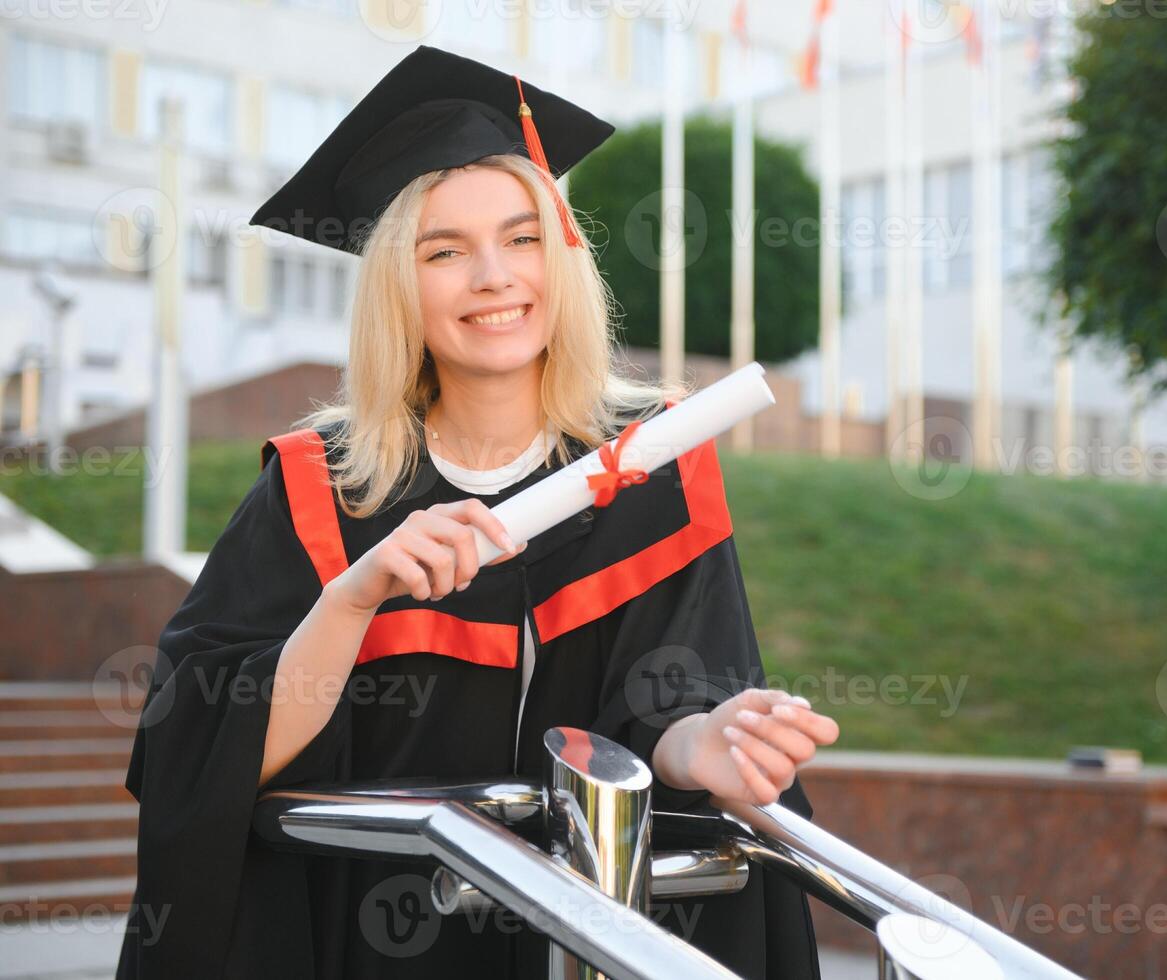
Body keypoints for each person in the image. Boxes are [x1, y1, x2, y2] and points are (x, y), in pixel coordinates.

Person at [116, 45, 839, 979]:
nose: (494, 276)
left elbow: (674, 697)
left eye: (522, 236)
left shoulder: (653, 468)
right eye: (444, 251)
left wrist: (707, 745)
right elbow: (201, 754)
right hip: (374, 945)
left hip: (588, 938)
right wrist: (350, 600)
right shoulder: (318, 489)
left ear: (562, 254)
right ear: (396, 289)